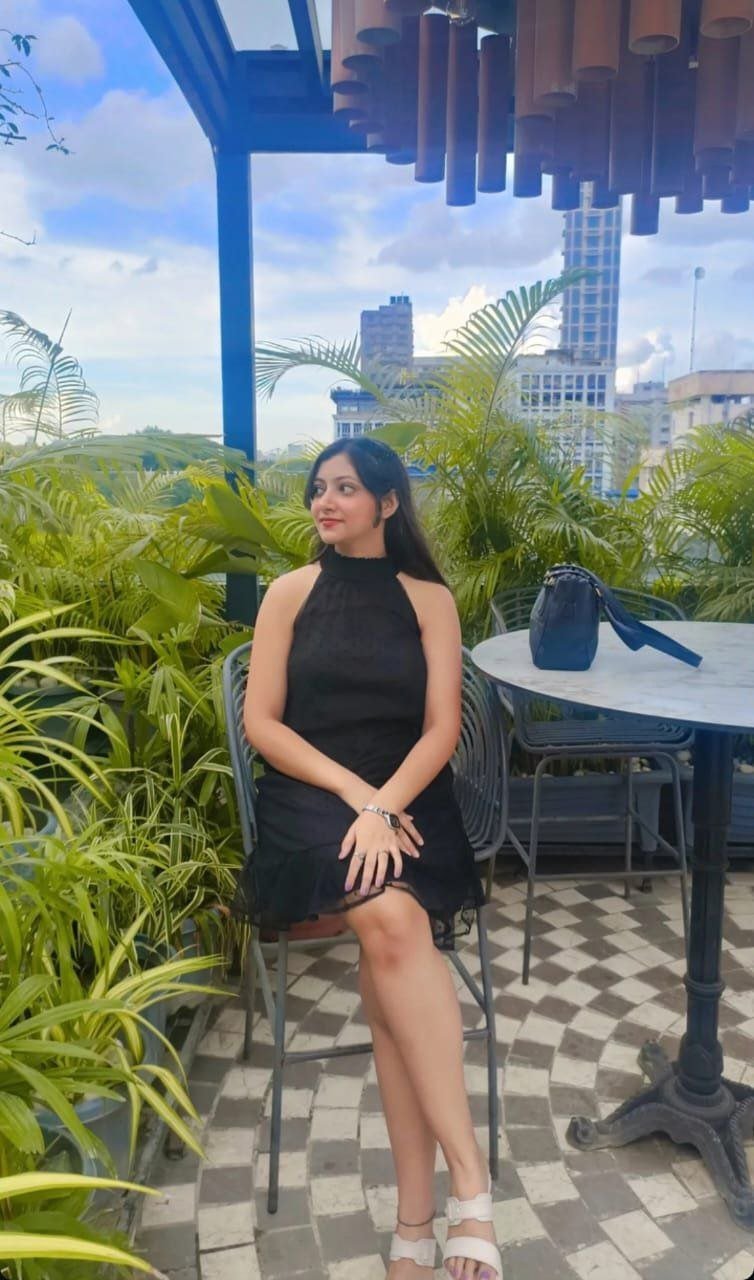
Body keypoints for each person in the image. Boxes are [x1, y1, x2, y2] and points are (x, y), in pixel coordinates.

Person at [235, 436, 502, 1280]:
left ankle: (414, 1225)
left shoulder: (429, 599)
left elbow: (442, 728)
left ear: (388, 502)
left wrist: (389, 802)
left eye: (346, 487)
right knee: (392, 921)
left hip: (409, 790)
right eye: (319, 487)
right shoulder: (289, 593)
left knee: (391, 956)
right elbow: (262, 724)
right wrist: (361, 800)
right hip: (314, 793)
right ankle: (470, 1184)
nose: (325, 501)